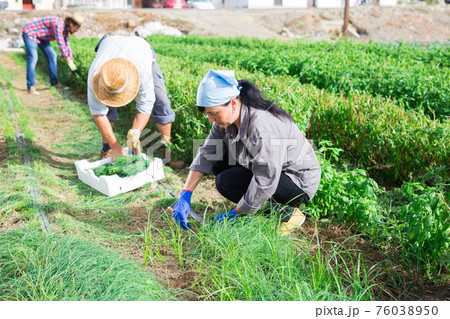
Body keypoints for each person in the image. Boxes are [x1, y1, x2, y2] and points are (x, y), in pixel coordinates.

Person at [172, 70, 321, 234]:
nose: (210, 119)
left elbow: (266, 178)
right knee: (218, 161)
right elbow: (207, 153)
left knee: (227, 182)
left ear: (233, 103)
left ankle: (288, 215)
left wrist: (237, 213)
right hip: (267, 168)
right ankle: (254, 206)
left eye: (214, 113)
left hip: (296, 180)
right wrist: (186, 194)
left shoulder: (262, 127)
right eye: (208, 114)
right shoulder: (225, 120)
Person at [87, 34, 184, 169]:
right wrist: (116, 146)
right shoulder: (96, 76)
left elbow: (145, 107)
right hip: (109, 43)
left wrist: (135, 133)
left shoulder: (143, 73)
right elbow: (99, 114)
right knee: (106, 108)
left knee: (162, 102)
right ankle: (107, 149)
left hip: (141, 48)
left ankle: (167, 154)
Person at [22, 14, 83, 95]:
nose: (77, 30)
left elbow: (67, 45)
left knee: (52, 56)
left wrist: (71, 60)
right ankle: (31, 86)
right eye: (77, 27)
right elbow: (60, 43)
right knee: (33, 58)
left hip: (42, 38)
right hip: (30, 34)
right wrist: (68, 60)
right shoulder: (59, 24)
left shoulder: (66, 31)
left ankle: (54, 83)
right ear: (72, 24)